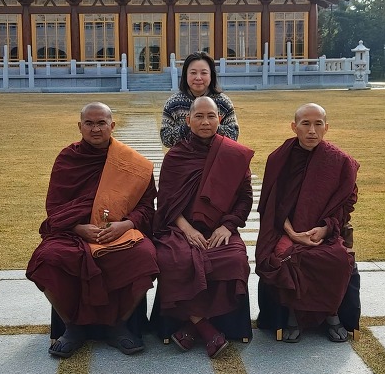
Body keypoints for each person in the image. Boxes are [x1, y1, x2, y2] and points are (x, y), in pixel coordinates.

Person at [26, 102, 159, 358]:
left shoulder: (133, 164)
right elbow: (55, 206)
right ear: (80, 126)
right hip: (72, 232)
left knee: (145, 257)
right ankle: (72, 327)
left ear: (112, 125)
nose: (95, 129)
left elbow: (146, 208)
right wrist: (79, 228)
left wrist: (125, 225)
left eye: (101, 123)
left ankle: (118, 325)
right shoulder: (68, 159)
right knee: (47, 259)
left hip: (119, 231)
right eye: (89, 123)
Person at [153, 96, 254, 358]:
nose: (205, 122)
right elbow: (166, 201)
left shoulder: (233, 154)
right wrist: (187, 230)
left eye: (211, 116)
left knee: (234, 259)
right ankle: (206, 328)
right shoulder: (176, 156)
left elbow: (245, 198)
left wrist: (227, 227)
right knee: (173, 259)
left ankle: (191, 326)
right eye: (199, 116)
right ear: (188, 120)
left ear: (220, 119)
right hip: (180, 228)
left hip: (220, 228)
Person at [255, 103, 359, 343]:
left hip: (323, 231)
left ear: (326, 128)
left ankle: (331, 314)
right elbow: (272, 203)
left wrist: (325, 228)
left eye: (318, 124)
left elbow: (346, 204)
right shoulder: (279, 159)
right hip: (286, 230)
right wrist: (292, 233)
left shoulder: (339, 161)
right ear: (294, 127)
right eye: (305, 124)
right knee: (284, 259)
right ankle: (294, 315)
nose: (312, 130)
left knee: (337, 260)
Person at [160, 51, 239, 148]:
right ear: (185, 75)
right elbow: (166, 138)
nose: (198, 77)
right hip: (184, 156)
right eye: (193, 73)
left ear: (211, 75)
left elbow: (233, 135)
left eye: (204, 73)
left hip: (215, 155)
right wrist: (190, 126)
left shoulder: (223, 102)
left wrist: (212, 126)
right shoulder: (173, 103)